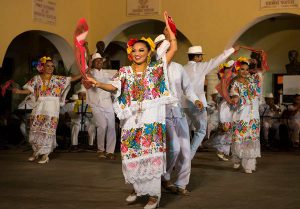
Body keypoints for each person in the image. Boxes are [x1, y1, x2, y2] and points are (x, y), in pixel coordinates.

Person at [87, 11, 177, 209]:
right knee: (131, 154)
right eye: (134, 50)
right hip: (131, 120)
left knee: (151, 154)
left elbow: (173, 48)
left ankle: (154, 195)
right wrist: (97, 83)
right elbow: (114, 87)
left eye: (141, 50)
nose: (137, 53)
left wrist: (169, 28)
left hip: (151, 118)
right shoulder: (125, 71)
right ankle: (137, 189)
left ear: (148, 52)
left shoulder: (156, 69)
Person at [154, 34, 202, 195]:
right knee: (174, 147)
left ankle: (182, 184)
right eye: (162, 45)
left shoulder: (178, 68)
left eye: (167, 44)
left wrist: (196, 100)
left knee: (185, 149)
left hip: (178, 110)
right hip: (163, 111)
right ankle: (165, 176)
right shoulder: (155, 67)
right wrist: (168, 36)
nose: (166, 47)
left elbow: (188, 89)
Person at [12, 56, 81, 164]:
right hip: (40, 106)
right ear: (42, 67)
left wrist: (84, 72)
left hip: (52, 106)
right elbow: (31, 91)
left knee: (48, 130)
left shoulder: (58, 79)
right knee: (36, 128)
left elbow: (71, 79)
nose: (50, 68)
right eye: (48, 66)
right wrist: (19, 91)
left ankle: (45, 155)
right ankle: (36, 152)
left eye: (52, 66)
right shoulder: (36, 78)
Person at [183, 45, 239, 159]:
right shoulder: (199, 67)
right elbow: (217, 60)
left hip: (183, 103)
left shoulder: (183, 68)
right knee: (201, 130)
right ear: (197, 57)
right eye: (201, 57)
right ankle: (188, 156)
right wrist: (232, 49)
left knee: (184, 131)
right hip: (196, 103)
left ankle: (181, 155)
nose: (202, 59)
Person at [230, 57, 262, 174]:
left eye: (247, 69)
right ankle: (237, 157)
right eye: (242, 69)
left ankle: (249, 164)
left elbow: (258, 93)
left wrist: (257, 63)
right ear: (238, 70)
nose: (245, 71)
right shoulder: (234, 83)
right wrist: (237, 99)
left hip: (254, 116)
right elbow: (234, 98)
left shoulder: (253, 81)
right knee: (240, 140)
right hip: (241, 115)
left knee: (252, 139)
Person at [86, 52, 116, 159]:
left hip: (107, 103)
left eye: (100, 60)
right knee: (102, 125)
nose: (99, 62)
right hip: (95, 104)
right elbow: (87, 78)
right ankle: (100, 149)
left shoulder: (108, 75)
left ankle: (110, 151)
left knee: (112, 126)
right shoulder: (89, 74)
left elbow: (113, 86)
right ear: (93, 63)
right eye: (96, 61)